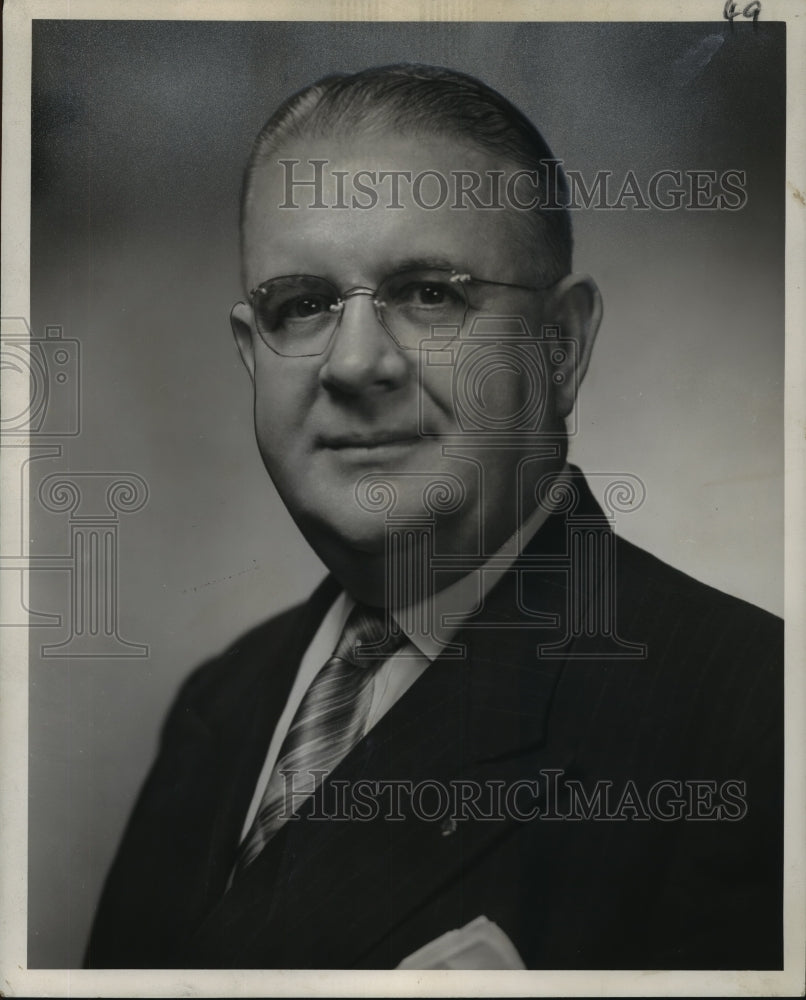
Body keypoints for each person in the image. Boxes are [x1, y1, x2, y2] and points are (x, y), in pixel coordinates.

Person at [85, 64, 783, 971]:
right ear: (253, 357)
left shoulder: (754, 719)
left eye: (429, 294)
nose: (354, 363)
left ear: (560, 347)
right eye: (301, 306)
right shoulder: (220, 705)